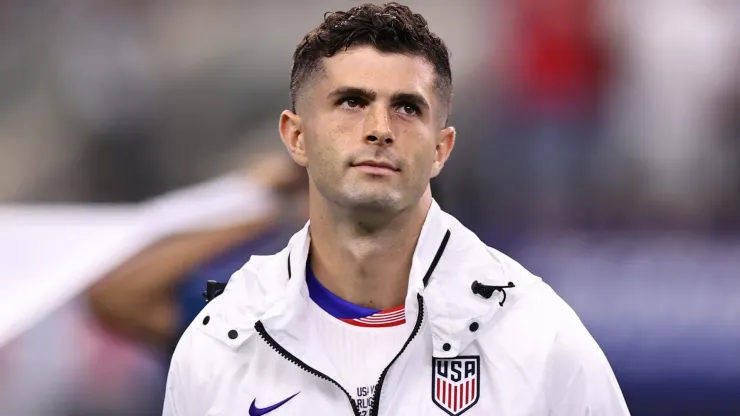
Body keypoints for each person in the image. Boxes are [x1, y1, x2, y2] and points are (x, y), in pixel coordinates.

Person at [163, 3, 629, 415]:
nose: (380, 129)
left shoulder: (538, 338)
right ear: (295, 136)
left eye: (407, 108)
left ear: (442, 149)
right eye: (351, 102)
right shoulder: (221, 343)